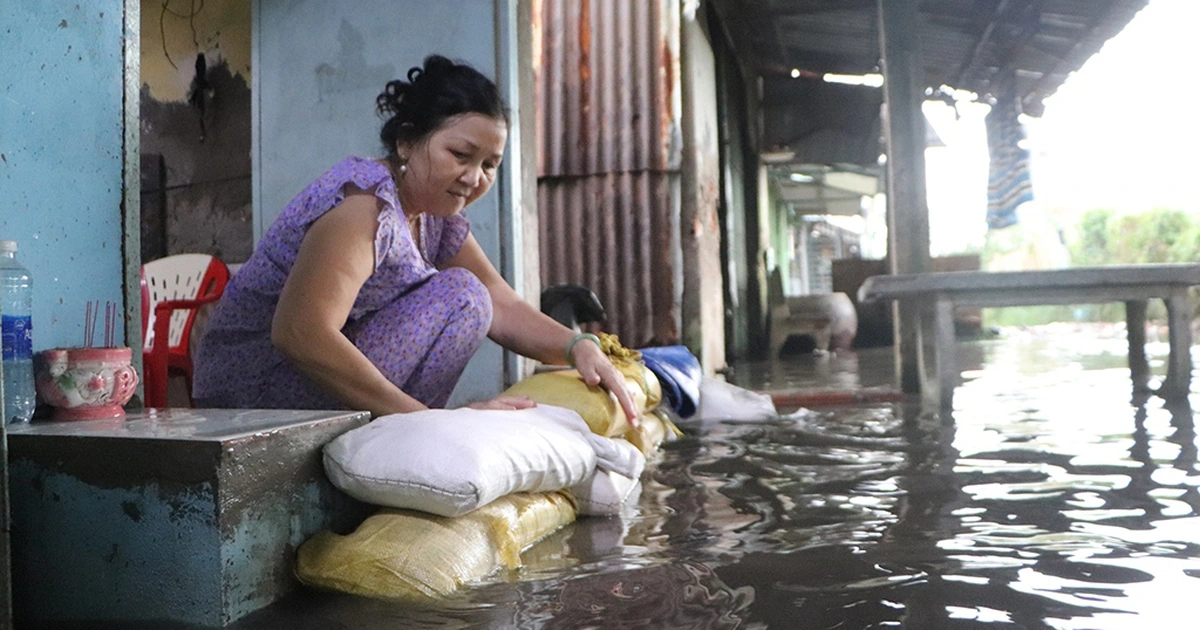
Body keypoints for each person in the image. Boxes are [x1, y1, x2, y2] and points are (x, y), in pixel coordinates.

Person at [193, 55, 637, 422]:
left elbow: (501, 302)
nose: (474, 177)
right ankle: (404, 434)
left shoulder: (434, 213)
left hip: (306, 384)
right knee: (461, 293)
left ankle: (401, 433)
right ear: (407, 142)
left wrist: (578, 346)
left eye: (489, 164)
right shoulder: (364, 205)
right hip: (251, 395)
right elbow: (299, 333)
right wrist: (430, 422)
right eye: (460, 155)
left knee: (472, 297)